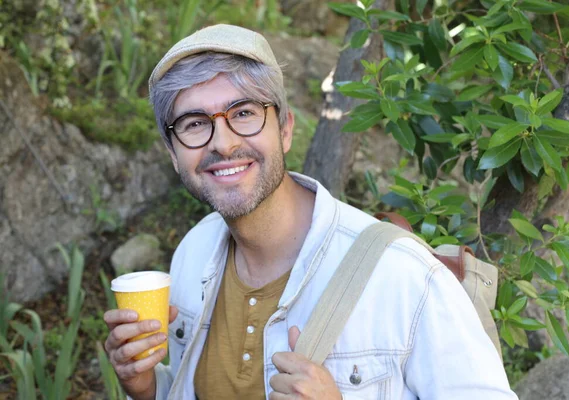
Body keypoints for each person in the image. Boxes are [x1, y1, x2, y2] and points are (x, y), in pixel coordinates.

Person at [103, 24, 518, 400]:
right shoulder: (192, 254)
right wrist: (146, 388)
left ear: (284, 129)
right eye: (194, 123)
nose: (223, 143)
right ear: (174, 155)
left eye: (244, 113)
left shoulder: (404, 277)